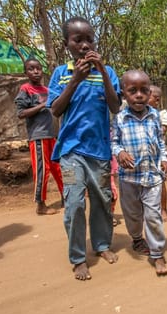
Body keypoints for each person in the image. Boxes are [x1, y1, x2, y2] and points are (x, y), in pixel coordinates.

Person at [47, 16, 120, 281]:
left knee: (102, 200)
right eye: (78, 40)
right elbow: (55, 110)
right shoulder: (61, 73)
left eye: (89, 39)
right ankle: (78, 257)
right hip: (70, 151)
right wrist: (75, 80)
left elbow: (115, 106)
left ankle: (101, 245)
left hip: (99, 151)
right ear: (67, 43)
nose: (85, 45)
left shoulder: (107, 72)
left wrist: (102, 72)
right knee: (75, 203)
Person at [111, 70, 167, 276]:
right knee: (133, 215)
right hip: (129, 178)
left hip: (152, 176)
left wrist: (164, 159)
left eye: (144, 91)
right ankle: (137, 239)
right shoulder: (119, 118)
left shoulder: (155, 116)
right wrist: (119, 153)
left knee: (153, 216)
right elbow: (114, 143)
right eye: (133, 91)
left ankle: (157, 253)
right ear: (123, 94)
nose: (139, 95)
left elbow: (160, 143)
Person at [15, 56, 63, 215]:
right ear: (26, 72)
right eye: (31, 69)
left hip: (52, 135)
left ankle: (66, 197)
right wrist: (43, 105)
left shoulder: (48, 90)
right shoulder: (25, 89)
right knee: (42, 170)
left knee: (58, 167)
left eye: (38, 68)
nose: (36, 71)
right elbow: (21, 113)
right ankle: (40, 205)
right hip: (38, 136)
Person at [148, 85, 167, 222]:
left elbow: (161, 132)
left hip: (157, 154)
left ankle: (163, 209)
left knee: (161, 182)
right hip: (143, 155)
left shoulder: (161, 115)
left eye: (157, 99)